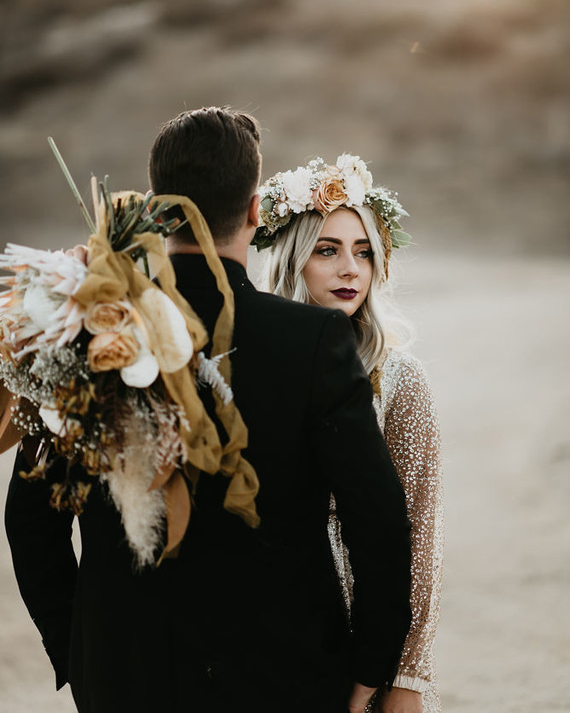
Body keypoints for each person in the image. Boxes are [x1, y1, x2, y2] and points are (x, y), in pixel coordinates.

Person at [5, 108, 412, 713]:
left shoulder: (86, 337)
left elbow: (31, 523)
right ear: (253, 212)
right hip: (290, 681)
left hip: (128, 682)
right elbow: (377, 522)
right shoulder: (315, 341)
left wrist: (85, 657)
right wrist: (369, 668)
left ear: (155, 210)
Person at [253, 154, 443, 713]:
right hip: (273, 623)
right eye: (327, 250)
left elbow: (421, 531)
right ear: (293, 259)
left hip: (368, 620)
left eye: (363, 252)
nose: (349, 270)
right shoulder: (255, 362)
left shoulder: (400, 378)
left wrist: (408, 676)